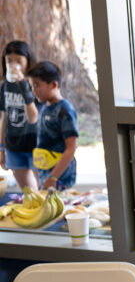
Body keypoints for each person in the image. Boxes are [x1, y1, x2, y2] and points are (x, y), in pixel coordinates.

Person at [26, 61, 77, 190]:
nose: (34, 91)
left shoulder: (65, 110)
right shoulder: (43, 106)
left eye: (37, 85)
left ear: (54, 84)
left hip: (60, 176)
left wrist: (53, 177)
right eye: (32, 86)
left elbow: (71, 148)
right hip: (45, 172)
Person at [0, 40, 39, 190]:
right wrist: (1, 148)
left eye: (18, 61)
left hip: (35, 144)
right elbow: (4, 118)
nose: (13, 65)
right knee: (29, 193)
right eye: (9, 60)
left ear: (28, 62)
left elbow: (33, 117)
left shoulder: (35, 85)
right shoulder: (4, 87)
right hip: (13, 146)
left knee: (45, 191)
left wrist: (24, 85)